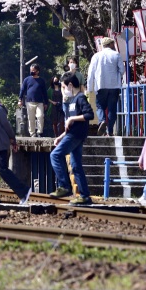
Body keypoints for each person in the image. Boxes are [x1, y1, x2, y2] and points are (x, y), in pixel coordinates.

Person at [48, 74, 94, 205]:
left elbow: (89, 114)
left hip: (76, 135)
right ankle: (85, 196)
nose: (62, 90)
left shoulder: (80, 97)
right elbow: (70, 124)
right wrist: (60, 136)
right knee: (76, 166)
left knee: (55, 155)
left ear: (70, 85)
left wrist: (72, 118)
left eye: (63, 86)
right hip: (73, 134)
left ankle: (65, 186)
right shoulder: (72, 100)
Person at [86, 37, 123, 136]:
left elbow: (91, 73)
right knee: (112, 108)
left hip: (101, 85)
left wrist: (90, 88)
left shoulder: (96, 56)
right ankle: (110, 130)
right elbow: (122, 70)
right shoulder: (116, 54)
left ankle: (102, 121)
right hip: (114, 86)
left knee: (100, 106)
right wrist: (117, 77)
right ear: (110, 44)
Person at [19, 63, 48, 137]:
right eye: (31, 70)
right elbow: (22, 90)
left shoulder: (41, 80)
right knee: (31, 118)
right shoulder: (27, 79)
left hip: (39, 102)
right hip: (29, 102)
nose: (32, 71)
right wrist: (20, 99)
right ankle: (32, 133)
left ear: (37, 71)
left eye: (33, 70)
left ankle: (39, 132)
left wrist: (46, 103)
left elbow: (44, 92)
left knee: (40, 116)